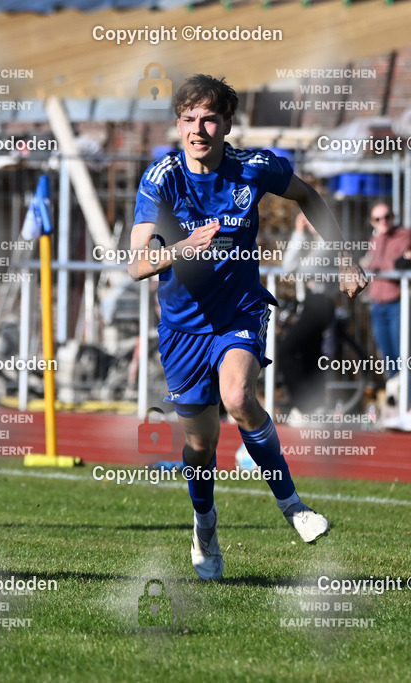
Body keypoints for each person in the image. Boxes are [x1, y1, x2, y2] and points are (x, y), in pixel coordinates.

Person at [128, 75, 366, 581]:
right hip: (181, 327)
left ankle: (294, 506)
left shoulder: (255, 167)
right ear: (178, 124)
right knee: (200, 445)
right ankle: (205, 524)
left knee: (237, 396)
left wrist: (346, 257)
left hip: (240, 312)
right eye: (189, 119)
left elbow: (310, 197)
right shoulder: (161, 178)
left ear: (227, 123)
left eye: (209, 118)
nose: (199, 129)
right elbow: (136, 264)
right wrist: (180, 250)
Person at [278, 212, 336, 419]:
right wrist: (300, 234)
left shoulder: (328, 243)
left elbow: (297, 267)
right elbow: (289, 266)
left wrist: (301, 236)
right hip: (312, 304)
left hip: (320, 304)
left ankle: (304, 406)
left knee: (287, 351)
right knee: (311, 354)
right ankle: (315, 406)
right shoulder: (315, 242)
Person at [361, 202, 410, 379]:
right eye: (378, 218)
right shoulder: (375, 240)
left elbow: (399, 265)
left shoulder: (404, 236)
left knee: (404, 355)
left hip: (397, 304)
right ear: (372, 221)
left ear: (393, 217)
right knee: (388, 359)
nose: (383, 221)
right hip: (377, 305)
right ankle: (396, 402)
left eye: (387, 216)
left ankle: (408, 402)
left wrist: (375, 265)